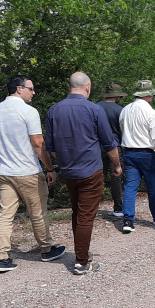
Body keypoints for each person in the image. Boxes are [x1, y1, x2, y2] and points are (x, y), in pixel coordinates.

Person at [44, 72, 122, 275]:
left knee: (77, 212)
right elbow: (109, 143)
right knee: (86, 216)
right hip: (90, 170)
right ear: (87, 87)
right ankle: (81, 261)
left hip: (68, 171)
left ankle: (82, 252)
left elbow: (50, 147)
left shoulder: (54, 110)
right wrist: (117, 164)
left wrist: (63, 160)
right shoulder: (94, 109)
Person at [0, 75, 66, 273]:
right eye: (31, 89)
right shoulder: (28, 111)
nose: (33, 92)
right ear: (19, 89)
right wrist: (50, 168)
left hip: (4, 171)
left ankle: (2, 257)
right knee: (38, 212)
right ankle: (46, 249)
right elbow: (38, 143)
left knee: (5, 215)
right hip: (28, 171)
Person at [118, 80, 155, 234]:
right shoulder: (151, 113)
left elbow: (122, 130)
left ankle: (128, 219)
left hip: (128, 152)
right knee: (153, 186)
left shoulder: (125, 110)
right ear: (148, 95)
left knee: (130, 187)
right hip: (147, 154)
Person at [96, 83, 128, 217]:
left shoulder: (95, 107)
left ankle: (93, 206)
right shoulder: (120, 110)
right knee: (116, 177)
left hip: (97, 147)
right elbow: (124, 130)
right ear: (118, 96)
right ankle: (118, 208)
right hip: (115, 146)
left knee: (97, 177)